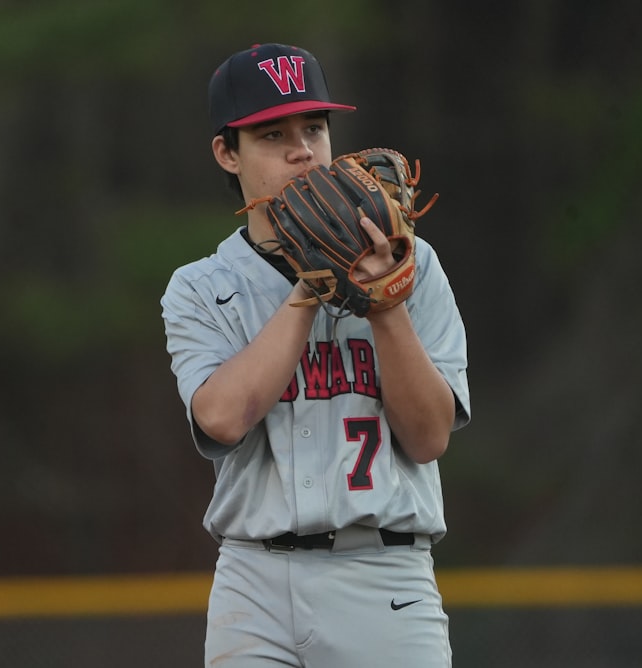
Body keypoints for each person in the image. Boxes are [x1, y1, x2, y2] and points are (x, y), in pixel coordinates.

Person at [161, 43, 471, 668]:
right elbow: (222, 418)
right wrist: (311, 285)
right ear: (227, 152)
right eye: (272, 134)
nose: (302, 150)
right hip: (254, 584)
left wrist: (384, 305)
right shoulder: (201, 286)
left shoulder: (414, 262)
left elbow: (430, 435)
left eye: (314, 128)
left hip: (383, 579)